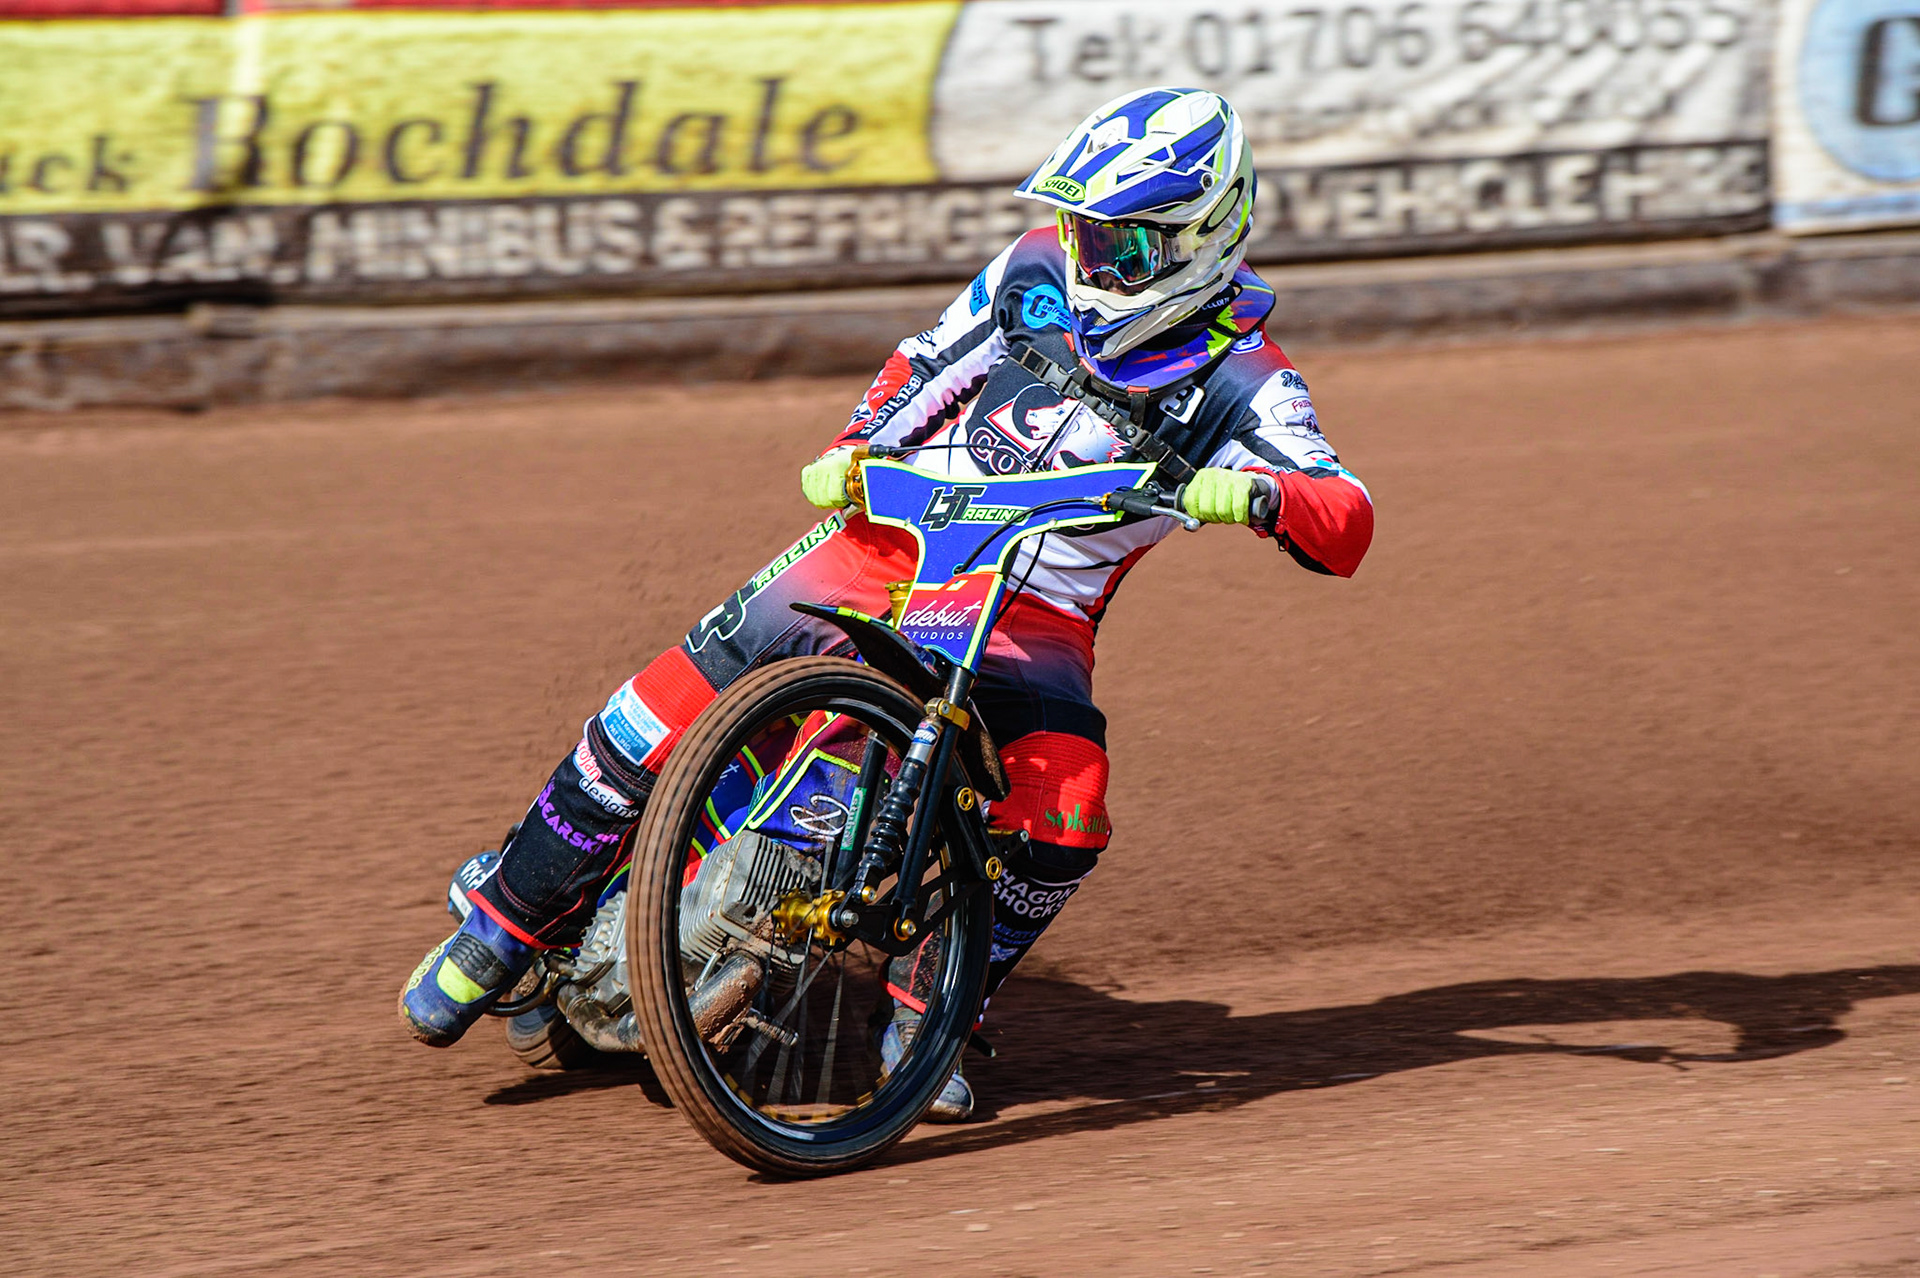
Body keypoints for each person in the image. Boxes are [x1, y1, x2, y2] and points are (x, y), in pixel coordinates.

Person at [399, 86, 1374, 1121]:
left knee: (1068, 806)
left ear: (1201, 241)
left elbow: (1346, 514)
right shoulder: (1036, 268)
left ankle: (936, 1009)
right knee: (665, 704)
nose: (1091, 262)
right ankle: (502, 923)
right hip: (892, 537)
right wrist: (855, 445)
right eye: (1087, 232)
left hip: (1031, 618)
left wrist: (1265, 493)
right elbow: (926, 361)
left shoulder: (1248, 380)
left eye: (1122, 246)